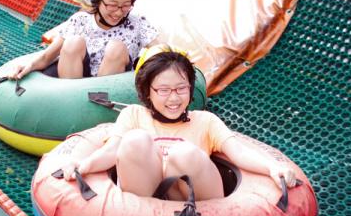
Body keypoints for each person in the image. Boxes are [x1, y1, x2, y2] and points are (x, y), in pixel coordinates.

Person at [62, 45, 297, 201]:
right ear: (147, 91)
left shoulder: (205, 121)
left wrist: (271, 167)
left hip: (194, 202)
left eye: (181, 88)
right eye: (163, 90)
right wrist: (83, 164)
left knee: (184, 153)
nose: (173, 98)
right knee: (134, 141)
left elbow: (239, 152)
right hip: (144, 204)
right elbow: (112, 151)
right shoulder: (133, 115)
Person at [8, 0, 158, 80]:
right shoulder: (80, 21)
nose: (119, 12)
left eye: (126, 5)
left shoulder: (137, 23)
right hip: (76, 84)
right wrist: (27, 66)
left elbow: (161, 51)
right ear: (96, 0)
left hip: (111, 89)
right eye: (112, 5)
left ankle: (99, 102)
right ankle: (70, 101)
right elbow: (47, 56)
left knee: (116, 48)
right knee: (73, 43)